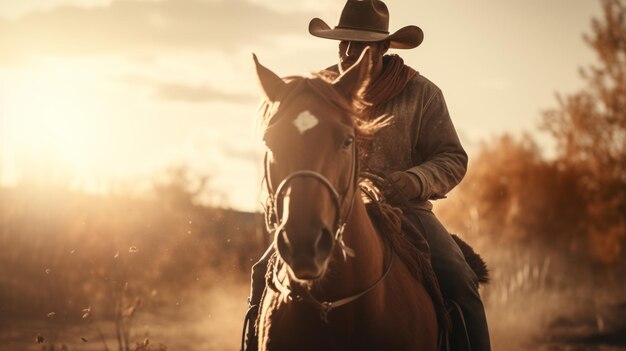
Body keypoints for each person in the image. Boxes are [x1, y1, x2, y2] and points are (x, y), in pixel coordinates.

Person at [244, 1, 491, 350]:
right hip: (329, 205)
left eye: (359, 44)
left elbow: (452, 157)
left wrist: (415, 180)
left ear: (384, 47)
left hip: (405, 209)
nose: (348, 51)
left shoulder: (422, 93)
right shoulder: (319, 91)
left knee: (459, 278)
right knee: (261, 274)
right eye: (343, 42)